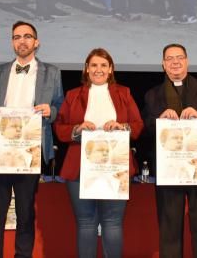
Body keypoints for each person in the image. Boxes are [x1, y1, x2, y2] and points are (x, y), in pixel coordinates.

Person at [0, 20, 64, 258]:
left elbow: (59, 105)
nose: (22, 41)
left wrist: (52, 111)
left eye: (27, 36)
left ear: (36, 42)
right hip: (0, 148)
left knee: (26, 212)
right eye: (17, 37)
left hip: (31, 148)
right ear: (12, 42)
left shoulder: (52, 72)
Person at [54, 48, 143, 258]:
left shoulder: (125, 93)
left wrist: (123, 126)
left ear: (111, 69)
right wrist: (77, 129)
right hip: (79, 168)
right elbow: (59, 128)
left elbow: (138, 126)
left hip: (115, 166)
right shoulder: (73, 95)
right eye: (94, 65)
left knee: (112, 223)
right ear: (86, 69)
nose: (98, 69)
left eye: (103, 65)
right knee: (85, 224)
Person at [143, 43, 197, 257]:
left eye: (179, 57)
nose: (175, 62)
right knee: (169, 229)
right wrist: (158, 119)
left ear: (187, 61)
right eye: (170, 58)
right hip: (168, 168)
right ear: (163, 64)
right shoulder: (153, 94)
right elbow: (144, 125)